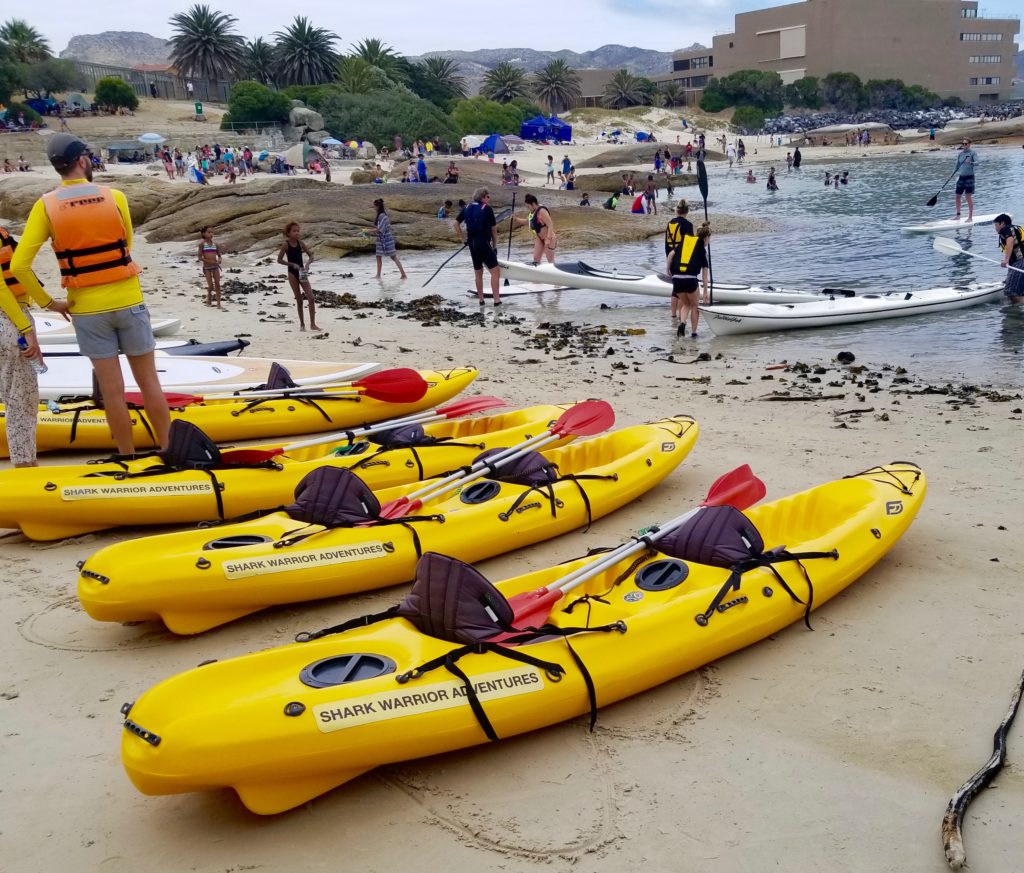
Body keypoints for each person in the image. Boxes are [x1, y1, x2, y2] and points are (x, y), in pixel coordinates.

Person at [10, 133, 171, 456]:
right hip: (128, 300)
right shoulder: (115, 197)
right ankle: (170, 450)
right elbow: (126, 245)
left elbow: (19, 266)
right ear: (82, 161)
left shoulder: (46, 206)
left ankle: (127, 457)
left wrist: (49, 303)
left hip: (85, 308)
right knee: (149, 383)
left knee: (113, 391)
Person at [1, 225, 64, 467]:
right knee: (21, 401)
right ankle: (25, 465)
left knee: (12, 395)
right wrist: (27, 330)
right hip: (9, 318)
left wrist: (48, 304)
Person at [454, 187, 501, 307]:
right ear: (483, 197)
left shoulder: (467, 207)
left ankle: (481, 300)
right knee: (495, 272)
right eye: (488, 197)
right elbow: (494, 231)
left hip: (472, 244)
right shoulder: (487, 208)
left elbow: (455, 223)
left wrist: (463, 239)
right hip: (483, 243)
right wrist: (494, 247)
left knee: (478, 272)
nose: (489, 199)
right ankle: (496, 301)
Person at [666, 222, 711, 337]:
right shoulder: (702, 250)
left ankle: (682, 323)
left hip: (677, 279)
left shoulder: (685, 243)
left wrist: (668, 270)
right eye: (709, 239)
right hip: (690, 279)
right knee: (695, 306)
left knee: (686, 304)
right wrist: (705, 292)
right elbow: (705, 276)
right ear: (706, 238)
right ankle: (694, 333)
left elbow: (671, 254)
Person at [277, 222, 321, 330]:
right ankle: (302, 324)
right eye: (294, 231)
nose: (297, 233)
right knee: (299, 299)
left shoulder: (301, 243)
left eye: (298, 231)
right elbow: (279, 260)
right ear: (288, 233)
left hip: (302, 271)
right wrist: (291, 264)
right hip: (292, 273)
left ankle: (313, 324)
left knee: (311, 297)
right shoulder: (286, 244)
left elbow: (311, 256)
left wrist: (307, 264)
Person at [367, 199, 407, 280]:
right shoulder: (381, 215)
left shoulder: (382, 216)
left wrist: (368, 231)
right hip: (382, 239)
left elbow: (380, 229)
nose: (373, 207)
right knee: (378, 256)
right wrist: (370, 231)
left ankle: (403, 274)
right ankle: (378, 275)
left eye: (374, 206)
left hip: (386, 240)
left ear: (377, 206)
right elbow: (380, 229)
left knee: (393, 257)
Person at [514, 194, 557, 265]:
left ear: (533, 204)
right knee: (536, 258)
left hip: (549, 238)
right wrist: (516, 219)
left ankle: (556, 274)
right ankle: (537, 273)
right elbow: (526, 221)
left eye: (528, 206)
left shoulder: (542, 211)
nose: (528, 208)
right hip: (539, 238)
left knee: (550, 260)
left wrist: (548, 239)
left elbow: (550, 225)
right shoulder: (532, 212)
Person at [993, 214, 1024, 304]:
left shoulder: (1005, 229)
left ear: (1002, 223)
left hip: (1020, 262)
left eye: (996, 225)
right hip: (1017, 263)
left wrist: (1006, 259)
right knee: (1019, 291)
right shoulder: (1015, 228)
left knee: (1011, 293)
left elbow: (1010, 240)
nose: (995, 228)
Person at [198, 226, 222, 308]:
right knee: (211, 286)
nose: (211, 234)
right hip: (207, 268)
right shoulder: (202, 244)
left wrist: (219, 259)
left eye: (212, 232)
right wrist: (209, 261)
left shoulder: (216, 245)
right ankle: (209, 300)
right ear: (204, 234)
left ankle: (219, 304)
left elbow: (219, 255)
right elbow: (200, 257)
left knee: (218, 284)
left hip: (215, 267)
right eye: (209, 232)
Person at [954, 138, 977, 222]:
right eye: (963, 144)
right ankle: (958, 215)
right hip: (961, 177)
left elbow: (977, 163)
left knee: (968, 197)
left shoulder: (973, 153)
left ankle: (970, 217)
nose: (964, 145)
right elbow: (957, 165)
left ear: (969, 144)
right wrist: (951, 174)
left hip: (970, 177)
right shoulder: (960, 154)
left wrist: (971, 162)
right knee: (957, 196)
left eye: (966, 144)